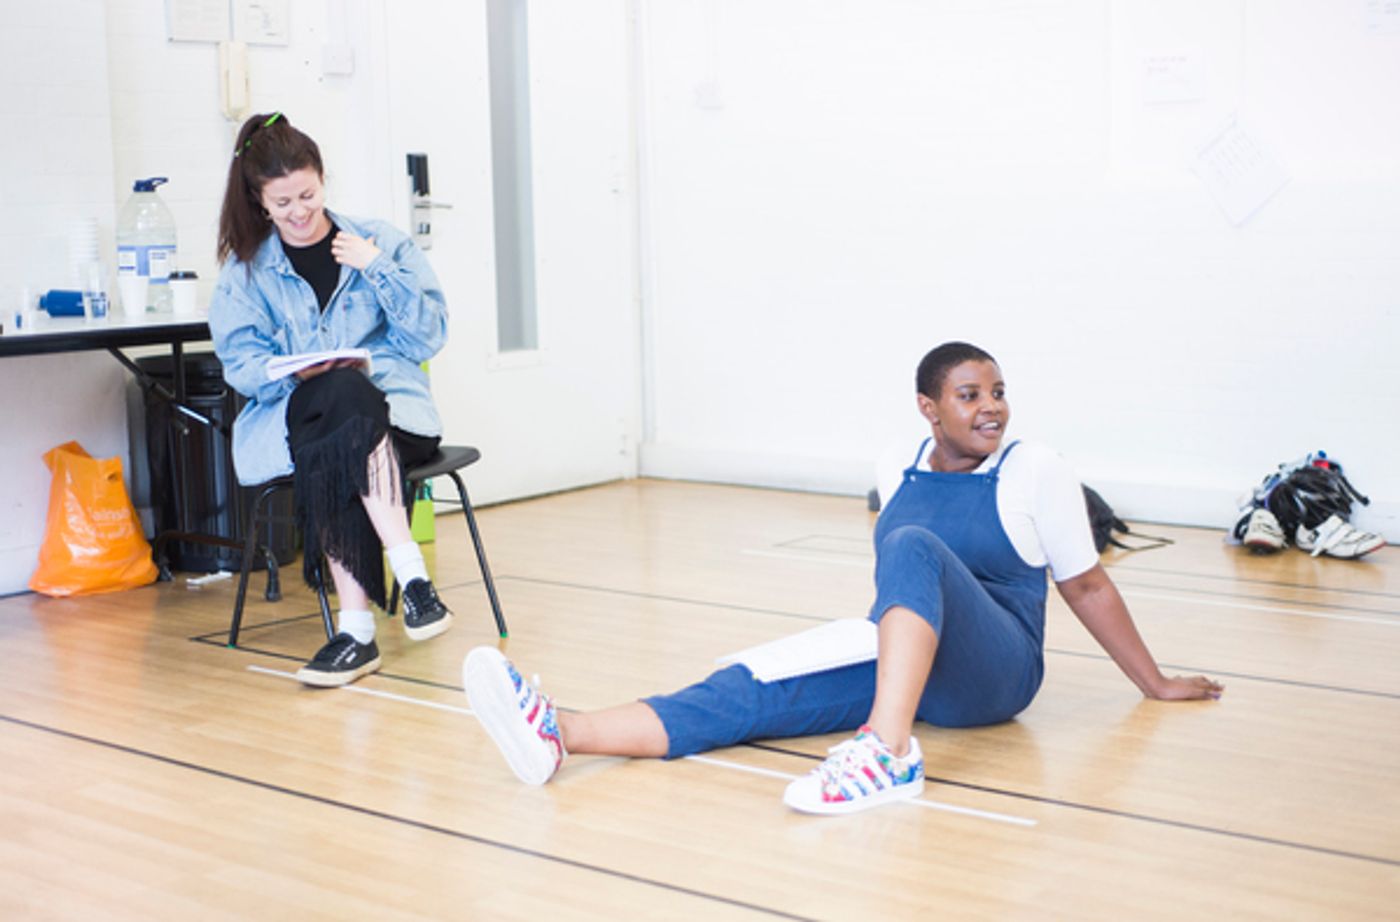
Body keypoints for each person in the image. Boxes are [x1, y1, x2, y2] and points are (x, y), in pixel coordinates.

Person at [462, 341, 1224, 815]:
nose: (991, 407)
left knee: (915, 546)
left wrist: (1154, 684)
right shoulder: (894, 463)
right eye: (970, 395)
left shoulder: (1038, 469)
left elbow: (1086, 586)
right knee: (750, 685)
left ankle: (885, 753)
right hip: (908, 661)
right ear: (929, 408)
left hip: (996, 674)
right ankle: (564, 731)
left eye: (997, 392)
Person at [210, 111, 453, 687]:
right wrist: (296, 374)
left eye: (308, 195)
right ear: (258, 200)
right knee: (334, 403)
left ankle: (355, 635)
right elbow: (242, 366)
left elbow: (429, 335)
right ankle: (413, 580)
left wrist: (377, 269)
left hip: (396, 419)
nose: (298, 212)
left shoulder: (379, 242)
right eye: (282, 201)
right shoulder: (245, 274)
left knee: (343, 414)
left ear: (322, 180)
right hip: (300, 420)